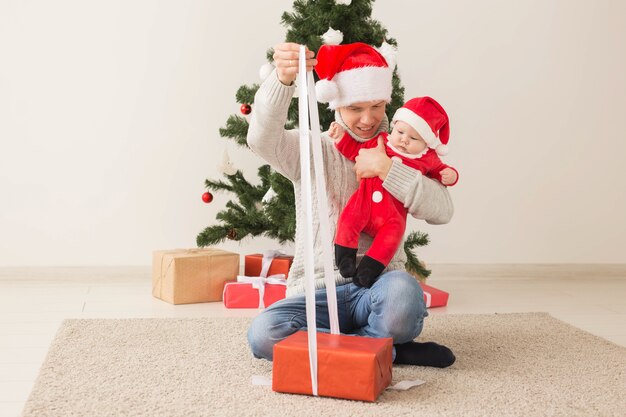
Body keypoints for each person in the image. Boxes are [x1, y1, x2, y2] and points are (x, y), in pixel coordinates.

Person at [246, 41, 456, 368]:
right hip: (314, 292)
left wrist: (389, 170)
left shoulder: (405, 152)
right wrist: (282, 80)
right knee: (263, 334)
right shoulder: (313, 147)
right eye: (355, 108)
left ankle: (347, 346)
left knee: (403, 296)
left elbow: (443, 210)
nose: (367, 119)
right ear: (337, 103)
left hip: (376, 285)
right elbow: (261, 140)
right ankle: (385, 349)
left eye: (376, 106)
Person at [329, 96, 459, 288]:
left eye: (414, 138)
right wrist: (340, 138)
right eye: (400, 132)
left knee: (390, 240)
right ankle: (345, 260)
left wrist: (451, 175)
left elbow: (441, 171)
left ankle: (368, 271)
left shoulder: (427, 158)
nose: (404, 140)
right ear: (394, 126)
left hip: (392, 216)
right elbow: (356, 150)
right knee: (348, 220)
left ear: (427, 143)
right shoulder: (381, 143)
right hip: (363, 202)